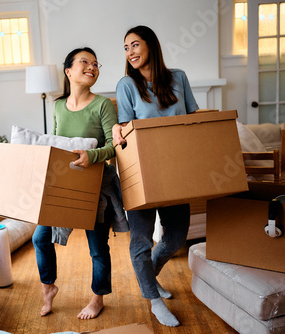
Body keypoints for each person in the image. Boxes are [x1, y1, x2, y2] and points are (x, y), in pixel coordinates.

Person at [32, 47, 128, 320]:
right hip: (62, 188)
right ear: (68, 71)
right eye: (84, 62)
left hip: (95, 187)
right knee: (40, 237)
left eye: (96, 63)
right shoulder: (58, 106)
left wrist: (92, 156)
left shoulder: (103, 105)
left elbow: (115, 146)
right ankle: (48, 287)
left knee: (97, 248)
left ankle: (97, 298)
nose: (92, 67)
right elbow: (56, 144)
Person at [112, 25, 199, 327]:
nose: (130, 52)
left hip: (176, 171)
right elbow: (126, 129)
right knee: (140, 240)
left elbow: (191, 121)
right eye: (126, 48)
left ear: (151, 45)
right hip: (141, 172)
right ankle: (154, 300)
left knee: (176, 237)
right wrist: (116, 131)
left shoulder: (179, 78)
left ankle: (148, 273)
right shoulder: (126, 84)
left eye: (135, 45)